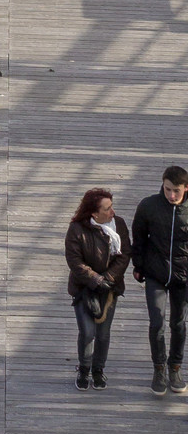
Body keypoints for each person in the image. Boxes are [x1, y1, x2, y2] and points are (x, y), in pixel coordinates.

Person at [67, 186, 130, 387]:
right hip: (83, 288)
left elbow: (124, 255)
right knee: (87, 332)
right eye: (107, 208)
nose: (113, 212)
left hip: (110, 288)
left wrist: (108, 279)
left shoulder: (118, 224)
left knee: (103, 333)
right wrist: (95, 279)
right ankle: (84, 369)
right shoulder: (77, 229)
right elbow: (74, 261)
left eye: (112, 206)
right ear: (94, 213)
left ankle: (98, 370)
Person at [132, 165, 188, 394]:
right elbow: (138, 237)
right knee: (157, 323)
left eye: (176, 190)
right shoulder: (149, 206)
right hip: (155, 273)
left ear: (186, 188)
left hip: (183, 277)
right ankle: (158, 368)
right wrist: (138, 265)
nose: (171, 195)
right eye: (167, 189)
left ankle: (175, 367)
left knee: (178, 323)